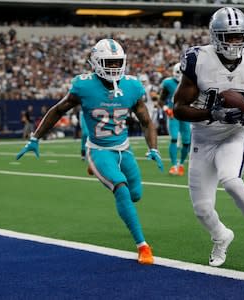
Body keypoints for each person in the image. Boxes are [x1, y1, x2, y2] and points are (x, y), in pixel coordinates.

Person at [16, 38, 163, 265]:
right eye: (108, 62)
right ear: (95, 63)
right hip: (99, 149)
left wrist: (153, 148)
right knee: (121, 190)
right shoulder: (83, 86)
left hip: (124, 149)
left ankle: (97, 170)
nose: (113, 68)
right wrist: (35, 137)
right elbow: (57, 110)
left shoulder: (132, 86)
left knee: (136, 195)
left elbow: (145, 121)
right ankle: (142, 246)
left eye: (117, 63)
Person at [173, 7, 244, 267]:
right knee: (202, 209)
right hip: (203, 137)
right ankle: (221, 236)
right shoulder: (198, 60)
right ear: (214, 36)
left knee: (231, 181)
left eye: (238, 36)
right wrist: (213, 113)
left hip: (232, 135)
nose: (234, 42)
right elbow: (178, 109)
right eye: (227, 36)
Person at [159, 63, 191, 176]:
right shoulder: (168, 83)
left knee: (187, 141)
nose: (181, 75)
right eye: (179, 72)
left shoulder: (190, 82)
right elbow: (161, 100)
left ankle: (181, 164)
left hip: (185, 114)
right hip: (173, 114)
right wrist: (166, 108)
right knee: (173, 138)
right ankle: (174, 165)